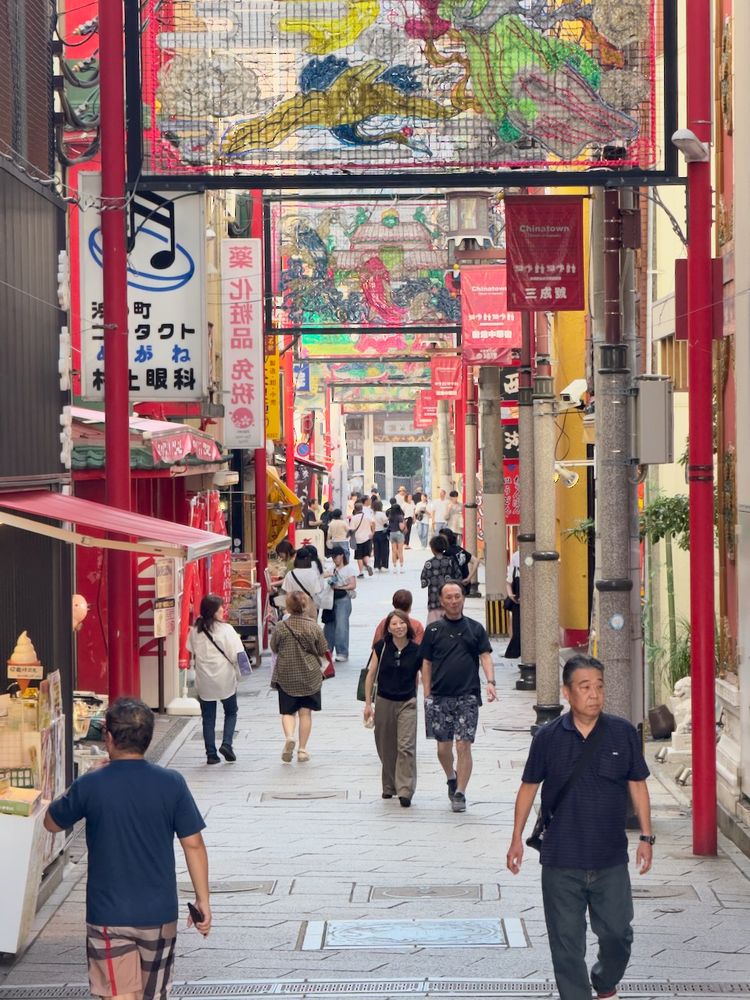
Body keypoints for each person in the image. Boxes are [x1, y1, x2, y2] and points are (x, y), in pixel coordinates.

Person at [506, 654, 653, 1000]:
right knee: (566, 946)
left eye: (599, 687)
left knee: (618, 934)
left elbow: (638, 784)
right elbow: (528, 787)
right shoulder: (548, 737)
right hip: (561, 860)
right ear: (567, 693)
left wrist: (646, 836)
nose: (594, 695)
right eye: (585, 687)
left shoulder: (622, 733)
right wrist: (516, 839)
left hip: (610, 858)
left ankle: (605, 980)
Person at [44, 698, 211, 1000]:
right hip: (159, 913)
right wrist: (203, 900)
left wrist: (83, 779)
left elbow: (51, 823)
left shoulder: (92, 784)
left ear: (108, 737)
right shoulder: (172, 783)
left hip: (108, 913)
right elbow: (194, 844)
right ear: (147, 738)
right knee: (153, 994)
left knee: (118, 994)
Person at [420, 582, 496, 813]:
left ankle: (460, 792)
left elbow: (485, 656)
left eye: (457, 596)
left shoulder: (475, 628)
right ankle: (451, 777)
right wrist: (426, 694)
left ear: (463, 598)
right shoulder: (433, 630)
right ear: (442, 602)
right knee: (443, 749)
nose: (453, 601)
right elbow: (426, 663)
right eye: (449, 597)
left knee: (464, 744)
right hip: (440, 696)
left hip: (468, 696)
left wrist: (490, 682)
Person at [363, 610, 422, 807]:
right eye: (394, 624)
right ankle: (389, 785)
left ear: (408, 625)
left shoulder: (416, 650)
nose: (399, 627)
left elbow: (426, 673)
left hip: (408, 701)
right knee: (385, 745)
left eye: (402, 623)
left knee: (406, 746)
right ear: (388, 627)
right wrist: (368, 704)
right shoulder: (381, 647)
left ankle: (405, 789)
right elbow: (371, 674)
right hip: (384, 700)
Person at [187, 593, 247, 764]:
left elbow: (190, 648)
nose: (222, 609)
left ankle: (211, 754)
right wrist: (245, 673)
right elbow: (238, 654)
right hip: (224, 677)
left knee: (208, 717)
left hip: (205, 678)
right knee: (231, 711)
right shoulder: (226, 630)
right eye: (219, 607)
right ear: (212, 611)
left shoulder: (195, 630)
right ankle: (227, 743)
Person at [269, 592, 329, 763]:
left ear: (288, 607)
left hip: (287, 673)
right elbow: (322, 649)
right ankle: (302, 750)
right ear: (305, 606)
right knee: (305, 713)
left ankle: (289, 737)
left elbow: (274, 647)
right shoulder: (313, 626)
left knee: (288, 711)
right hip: (310, 673)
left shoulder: (281, 626)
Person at [323, 547, 357, 661]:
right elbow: (323, 575)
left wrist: (339, 587)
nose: (334, 559)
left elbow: (353, 585)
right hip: (331, 599)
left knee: (341, 626)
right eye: (332, 557)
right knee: (329, 626)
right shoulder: (332, 568)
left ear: (342, 556)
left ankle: (342, 652)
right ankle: (327, 651)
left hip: (343, 598)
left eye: (335, 557)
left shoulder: (349, 569)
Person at [420, 534, 463, 624]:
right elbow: (459, 578)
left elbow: (423, 583)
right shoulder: (451, 561)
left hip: (434, 602)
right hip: (450, 602)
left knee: (434, 628)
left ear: (432, 549)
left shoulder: (429, 563)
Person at [282, 546, 326, 620]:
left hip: (294, 608)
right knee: (310, 629)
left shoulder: (290, 574)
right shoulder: (313, 573)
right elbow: (317, 591)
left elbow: (288, 594)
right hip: (309, 607)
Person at [439, 527, 479, 594]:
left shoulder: (447, 553)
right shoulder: (459, 549)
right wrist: (469, 578)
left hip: (453, 586)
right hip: (465, 584)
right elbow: (476, 561)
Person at [348, 500, 374, 577]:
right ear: (362, 508)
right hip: (367, 537)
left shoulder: (354, 518)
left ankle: (361, 572)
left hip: (358, 539)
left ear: (355, 509)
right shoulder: (367, 517)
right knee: (366, 554)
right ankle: (368, 565)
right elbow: (373, 523)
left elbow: (351, 529)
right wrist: (372, 532)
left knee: (359, 556)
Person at [504, 548, 521, 658]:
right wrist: (511, 596)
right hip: (517, 602)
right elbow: (509, 581)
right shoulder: (516, 556)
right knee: (517, 628)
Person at [386, 497, 407, 573]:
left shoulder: (390, 517)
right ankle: (401, 567)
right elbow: (401, 527)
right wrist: (404, 524)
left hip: (392, 534)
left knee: (394, 551)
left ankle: (394, 567)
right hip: (399, 534)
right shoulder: (400, 517)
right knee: (400, 552)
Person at [372, 498, 390, 571]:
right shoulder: (382, 514)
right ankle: (384, 565)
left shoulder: (372, 514)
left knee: (376, 550)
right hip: (382, 533)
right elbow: (386, 524)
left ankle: (376, 565)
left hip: (374, 533)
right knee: (384, 550)